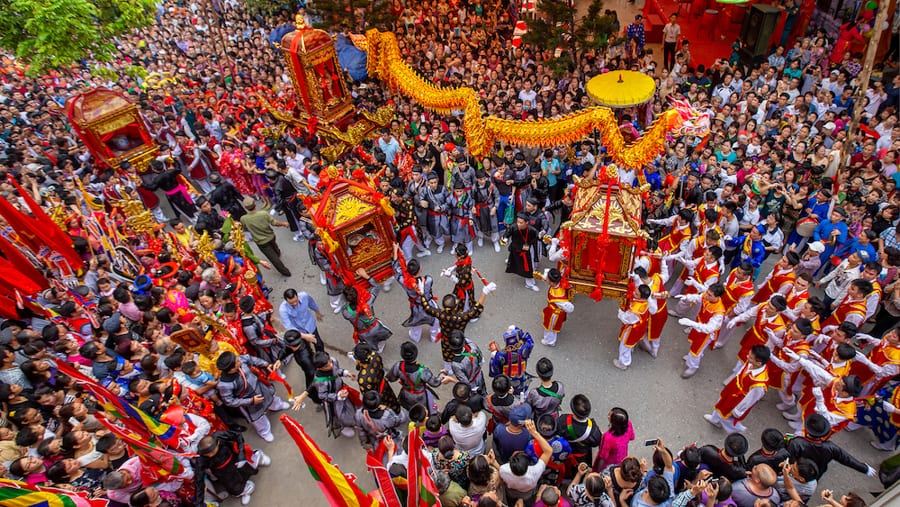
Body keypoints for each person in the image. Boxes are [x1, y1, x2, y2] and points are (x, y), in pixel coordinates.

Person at [215, 351, 290, 442]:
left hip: (259, 386)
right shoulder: (224, 384)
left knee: (271, 397)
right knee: (258, 418)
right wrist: (251, 401)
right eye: (237, 361)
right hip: (248, 401)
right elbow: (229, 401)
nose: (239, 360)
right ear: (231, 369)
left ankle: (277, 406)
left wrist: (265, 364)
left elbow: (251, 359)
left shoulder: (240, 359)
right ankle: (265, 432)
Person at [704, 345, 771, 433]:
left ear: (759, 363)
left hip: (738, 400)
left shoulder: (759, 385)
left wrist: (738, 410)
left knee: (728, 414)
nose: (747, 357)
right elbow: (742, 371)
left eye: (750, 357)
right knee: (720, 402)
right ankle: (715, 419)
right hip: (733, 388)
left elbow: (750, 399)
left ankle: (736, 429)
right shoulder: (753, 363)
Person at [676, 283, 727, 378]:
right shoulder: (707, 296)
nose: (706, 295)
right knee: (693, 344)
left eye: (709, 295)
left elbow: (709, 329)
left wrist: (691, 323)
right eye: (707, 292)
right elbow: (698, 297)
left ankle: (693, 366)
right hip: (698, 325)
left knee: (697, 350)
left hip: (706, 334)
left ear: (717, 297)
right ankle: (691, 357)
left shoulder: (719, 312)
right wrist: (687, 297)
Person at [499, 419, 553, 505]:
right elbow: (549, 451)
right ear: (528, 465)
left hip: (511, 493)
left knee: (511, 502)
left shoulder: (503, 469)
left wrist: (494, 462)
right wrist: (534, 432)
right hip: (528, 493)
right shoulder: (535, 472)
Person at [386, 341, 448, 413]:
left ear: (402, 355)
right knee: (422, 411)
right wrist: (443, 373)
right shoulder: (422, 371)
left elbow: (391, 378)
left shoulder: (398, 366)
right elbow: (435, 383)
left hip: (406, 394)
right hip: (420, 397)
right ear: (416, 354)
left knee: (410, 410)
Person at [239, 197, 292, 276]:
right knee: (274, 245)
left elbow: (245, 229)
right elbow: (274, 223)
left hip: (261, 242)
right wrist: (284, 224)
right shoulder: (263, 213)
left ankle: (285, 272)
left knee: (273, 259)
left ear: (245, 207)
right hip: (270, 236)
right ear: (255, 204)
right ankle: (277, 253)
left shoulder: (243, 219)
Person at [614, 284, 657, 370]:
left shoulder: (637, 310)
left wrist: (620, 311)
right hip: (639, 327)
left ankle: (623, 362)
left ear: (642, 297)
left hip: (633, 329)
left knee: (625, 345)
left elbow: (626, 319)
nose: (634, 293)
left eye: (636, 294)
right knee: (629, 343)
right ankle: (630, 348)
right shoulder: (645, 302)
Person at [556, 394, 602, 466]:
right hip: (581, 457)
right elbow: (596, 443)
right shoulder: (593, 429)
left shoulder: (563, 420)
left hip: (565, 452)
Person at [535, 268, 574, 347]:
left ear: (551, 282)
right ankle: (552, 337)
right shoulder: (560, 282)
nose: (546, 280)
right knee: (553, 326)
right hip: (555, 311)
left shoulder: (557, 296)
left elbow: (569, 308)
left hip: (554, 313)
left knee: (549, 327)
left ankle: (549, 341)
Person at [504, 212, 540, 291]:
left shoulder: (531, 230)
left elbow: (538, 235)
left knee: (528, 267)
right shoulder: (514, 227)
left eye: (521, 223)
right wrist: (505, 239)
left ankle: (529, 284)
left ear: (526, 222)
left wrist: (543, 236)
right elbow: (507, 233)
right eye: (517, 222)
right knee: (515, 261)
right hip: (515, 249)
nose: (518, 224)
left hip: (526, 251)